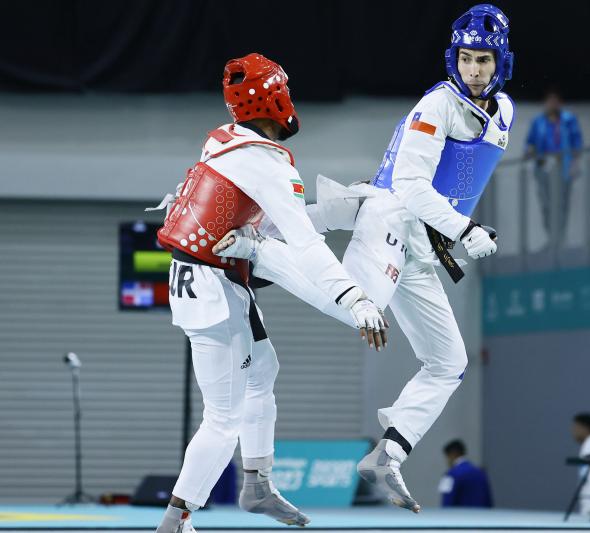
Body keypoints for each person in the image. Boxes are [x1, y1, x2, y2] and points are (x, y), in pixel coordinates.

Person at [214, 3, 514, 513]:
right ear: (453, 58)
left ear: (500, 62)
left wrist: (448, 230)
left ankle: (388, 454)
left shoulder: (502, 110)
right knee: (357, 305)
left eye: (483, 60)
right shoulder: (435, 106)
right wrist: (465, 229)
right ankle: (258, 248)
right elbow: (410, 186)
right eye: (465, 58)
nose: (473, 69)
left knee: (449, 363)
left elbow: (460, 178)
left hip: (424, 247)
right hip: (395, 218)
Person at [154, 53, 387, 533]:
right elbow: (303, 242)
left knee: (264, 369)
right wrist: (355, 298)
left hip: (215, 276)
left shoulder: (223, 140)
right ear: (275, 97)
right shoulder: (268, 163)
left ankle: (257, 483)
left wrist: (334, 212)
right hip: (210, 287)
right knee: (223, 418)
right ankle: (175, 521)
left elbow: (276, 222)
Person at [524, 87, 583, 243]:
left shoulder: (569, 120)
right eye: (550, 101)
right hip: (543, 166)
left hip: (563, 166)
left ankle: (560, 237)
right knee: (546, 204)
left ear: (560, 104)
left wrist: (575, 158)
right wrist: (529, 151)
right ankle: (552, 237)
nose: (552, 104)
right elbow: (530, 141)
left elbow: (576, 141)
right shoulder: (538, 121)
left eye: (555, 102)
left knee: (562, 203)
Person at [438, 439, 493, 508]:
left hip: (460, 517)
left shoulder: (450, 475)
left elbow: (447, 502)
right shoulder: (480, 473)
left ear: (453, 454)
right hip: (481, 517)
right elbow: (488, 501)